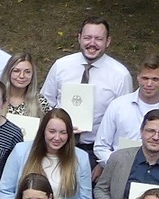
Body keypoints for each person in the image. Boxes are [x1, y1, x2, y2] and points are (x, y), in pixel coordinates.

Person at [39, 17, 134, 157]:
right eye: (87, 37)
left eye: (98, 39)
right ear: (79, 38)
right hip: (56, 146)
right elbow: (44, 104)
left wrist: (105, 163)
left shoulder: (120, 76)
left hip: (94, 151)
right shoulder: (61, 66)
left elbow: (123, 123)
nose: (92, 43)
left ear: (108, 41)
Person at [93, 53, 159, 164]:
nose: (149, 84)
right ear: (138, 77)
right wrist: (118, 166)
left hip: (157, 176)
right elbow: (101, 146)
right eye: (145, 78)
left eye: (155, 79)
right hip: (118, 171)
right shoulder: (118, 105)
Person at [1, 52, 42, 120]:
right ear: (9, 72)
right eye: (16, 71)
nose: (22, 76)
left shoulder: (40, 101)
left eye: (27, 72)